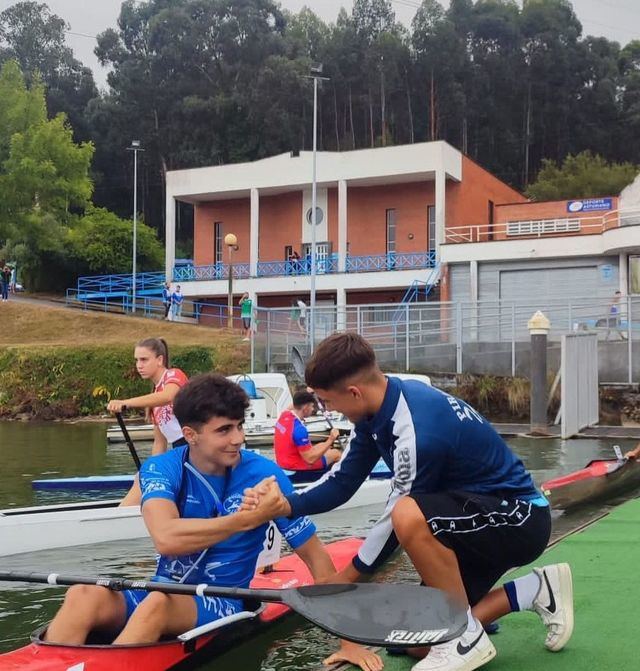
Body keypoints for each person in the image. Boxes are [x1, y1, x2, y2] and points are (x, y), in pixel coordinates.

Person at [242, 332, 574, 671]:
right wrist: (286, 504)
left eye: (329, 402)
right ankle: (536, 589)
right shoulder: (376, 409)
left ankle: (463, 639)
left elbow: (396, 522)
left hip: (519, 519)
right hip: (471, 519)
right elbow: (343, 482)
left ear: (354, 392)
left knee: (406, 512)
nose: (330, 410)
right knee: (417, 644)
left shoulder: (417, 428)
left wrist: (346, 578)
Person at [45, 374, 379, 671]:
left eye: (240, 425)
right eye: (224, 430)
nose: (238, 439)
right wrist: (249, 519)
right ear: (190, 434)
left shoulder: (266, 476)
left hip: (224, 600)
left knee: (158, 603)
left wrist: (349, 642)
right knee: (82, 594)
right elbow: (167, 539)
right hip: (164, 590)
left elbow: (316, 557)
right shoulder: (162, 469)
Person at [107, 338, 188, 505]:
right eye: (136, 360)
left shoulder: (174, 375)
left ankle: (119, 518)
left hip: (195, 448)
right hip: (180, 452)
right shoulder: (153, 402)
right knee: (143, 476)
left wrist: (125, 403)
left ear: (159, 360)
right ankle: (124, 514)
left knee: (146, 476)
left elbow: (168, 397)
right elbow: (159, 444)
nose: (139, 365)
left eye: (144, 359)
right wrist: (149, 470)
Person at [274, 390, 341, 482]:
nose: (313, 409)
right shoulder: (299, 429)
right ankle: (339, 482)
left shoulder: (284, 415)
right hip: (296, 469)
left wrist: (307, 392)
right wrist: (331, 439)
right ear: (305, 407)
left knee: (323, 445)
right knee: (336, 453)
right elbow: (310, 459)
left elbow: (296, 403)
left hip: (284, 462)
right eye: (312, 406)